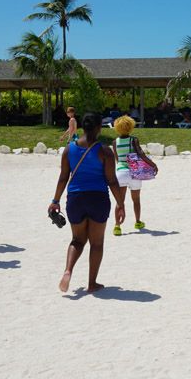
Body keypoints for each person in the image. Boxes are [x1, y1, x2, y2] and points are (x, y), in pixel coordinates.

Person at [49, 112, 126, 293]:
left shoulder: (69, 149)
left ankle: (68, 270)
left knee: (77, 240)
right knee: (96, 243)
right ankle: (92, 283)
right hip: (98, 198)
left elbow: (62, 178)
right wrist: (120, 204)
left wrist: (55, 200)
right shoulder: (104, 151)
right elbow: (112, 180)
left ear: (82, 127)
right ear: (99, 127)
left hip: (75, 199)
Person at [111, 115, 158, 236]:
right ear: (130, 126)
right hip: (134, 173)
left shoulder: (115, 142)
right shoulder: (133, 140)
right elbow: (141, 154)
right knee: (136, 200)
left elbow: (117, 159)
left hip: (120, 172)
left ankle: (117, 226)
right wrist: (153, 165)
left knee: (119, 201)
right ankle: (137, 222)